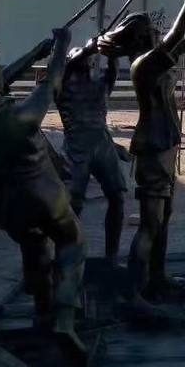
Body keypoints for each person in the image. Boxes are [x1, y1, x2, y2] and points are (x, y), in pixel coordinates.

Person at [0, 26, 93, 362]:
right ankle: (63, 320)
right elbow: (52, 82)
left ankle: (41, 311)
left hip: (8, 204)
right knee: (72, 242)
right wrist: (60, 47)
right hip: (43, 196)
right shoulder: (23, 116)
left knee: (33, 247)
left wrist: (33, 54)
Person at [97, 0, 185, 314]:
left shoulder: (153, 60)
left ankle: (157, 277)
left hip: (165, 144)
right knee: (150, 223)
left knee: (164, 216)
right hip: (153, 147)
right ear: (143, 38)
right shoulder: (144, 65)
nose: (158, 33)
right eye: (152, 30)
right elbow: (177, 35)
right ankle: (132, 294)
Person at [57, 50, 126, 268]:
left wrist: (112, 49)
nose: (88, 60)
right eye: (83, 57)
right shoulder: (63, 87)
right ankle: (67, 257)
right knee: (73, 204)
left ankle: (111, 256)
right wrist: (90, 47)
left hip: (102, 145)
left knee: (117, 197)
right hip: (77, 148)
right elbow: (67, 68)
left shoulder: (100, 84)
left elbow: (113, 70)